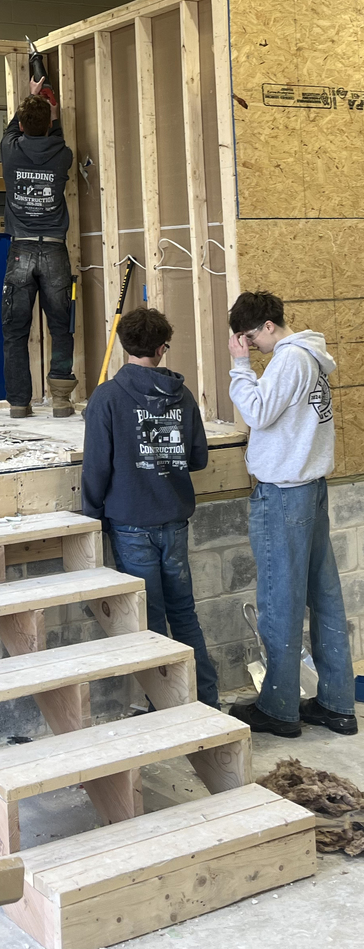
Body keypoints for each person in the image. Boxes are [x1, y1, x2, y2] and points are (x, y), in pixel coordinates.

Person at [227, 291, 357, 737]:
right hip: (311, 488)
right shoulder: (312, 357)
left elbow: (258, 413)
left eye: (248, 337)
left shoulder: (288, 358)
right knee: (323, 597)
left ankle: (280, 709)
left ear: (267, 326)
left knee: (280, 601)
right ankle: (337, 704)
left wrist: (239, 368)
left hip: (285, 492)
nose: (249, 346)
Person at [82, 307, 219, 709]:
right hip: (174, 520)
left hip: (130, 523)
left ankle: (168, 707)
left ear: (124, 346)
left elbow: (96, 467)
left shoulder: (107, 397)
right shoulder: (183, 395)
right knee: (185, 614)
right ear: (161, 349)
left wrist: (92, 519)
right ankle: (206, 701)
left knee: (151, 621)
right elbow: (197, 458)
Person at [0, 77, 76, 419]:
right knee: (61, 327)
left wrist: (29, 98)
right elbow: (55, 138)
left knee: (15, 332)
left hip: (21, 251)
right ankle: (60, 399)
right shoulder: (64, 155)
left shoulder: (11, 151)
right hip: (56, 251)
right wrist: (53, 113)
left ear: (20, 125)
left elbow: (10, 132)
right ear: (49, 126)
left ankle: (19, 403)